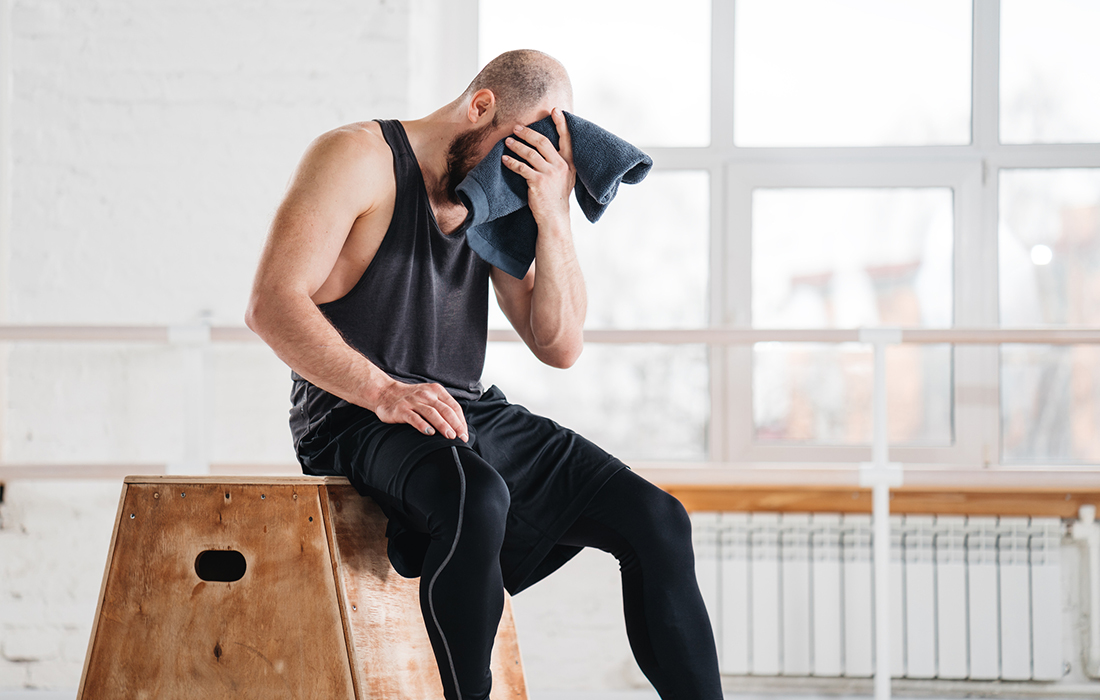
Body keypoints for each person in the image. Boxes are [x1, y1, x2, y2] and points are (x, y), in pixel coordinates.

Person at [246, 49, 723, 700]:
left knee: (658, 520)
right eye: (513, 148)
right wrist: (382, 390)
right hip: (352, 413)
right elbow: (271, 303)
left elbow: (559, 345)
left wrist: (553, 216)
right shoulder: (357, 159)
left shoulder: (489, 195)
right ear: (479, 107)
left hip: (459, 408)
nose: (511, 170)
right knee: (480, 495)